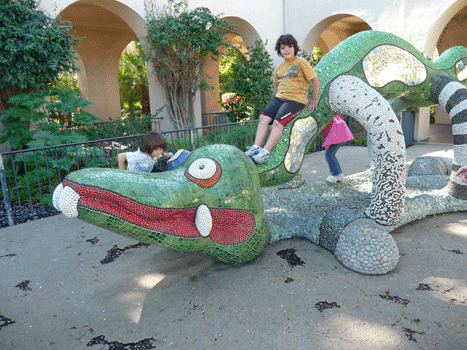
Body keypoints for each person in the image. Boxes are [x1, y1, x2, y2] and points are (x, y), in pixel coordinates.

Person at [245, 34, 319, 164]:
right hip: (280, 98)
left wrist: (314, 99)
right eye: (283, 48)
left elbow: (315, 79)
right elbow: (275, 84)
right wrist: (281, 93)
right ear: (279, 51)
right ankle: (256, 148)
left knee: (277, 123)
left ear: (294, 48)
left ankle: (265, 154)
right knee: (263, 118)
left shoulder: (301, 62)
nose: (287, 50)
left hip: (295, 100)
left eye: (289, 47)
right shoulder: (279, 67)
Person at [322, 115, 354, 183]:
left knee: (329, 154)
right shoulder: (332, 116)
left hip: (339, 135)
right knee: (330, 154)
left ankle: (337, 174)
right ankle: (338, 174)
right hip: (341, 134)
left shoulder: (326, 117)